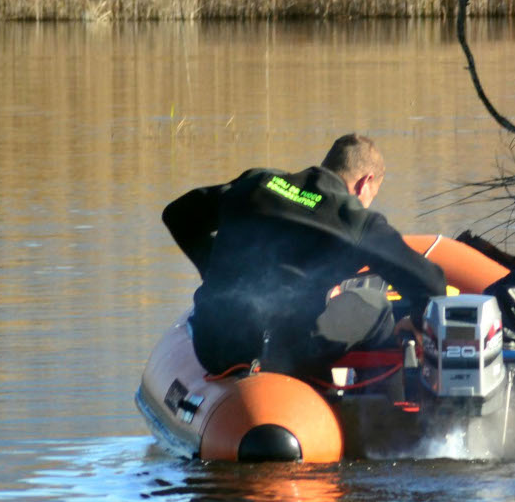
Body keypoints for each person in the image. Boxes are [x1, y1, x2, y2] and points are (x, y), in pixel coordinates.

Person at [162, 133, 446, 378]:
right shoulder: (356, 221)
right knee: (377, 305)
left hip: (213, 344)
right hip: (285, 350)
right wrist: (418, 323)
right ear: (365, 183)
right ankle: (374, 417)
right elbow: (431, 283)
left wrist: (210, 268)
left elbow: (177, 215)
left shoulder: (257, 183)